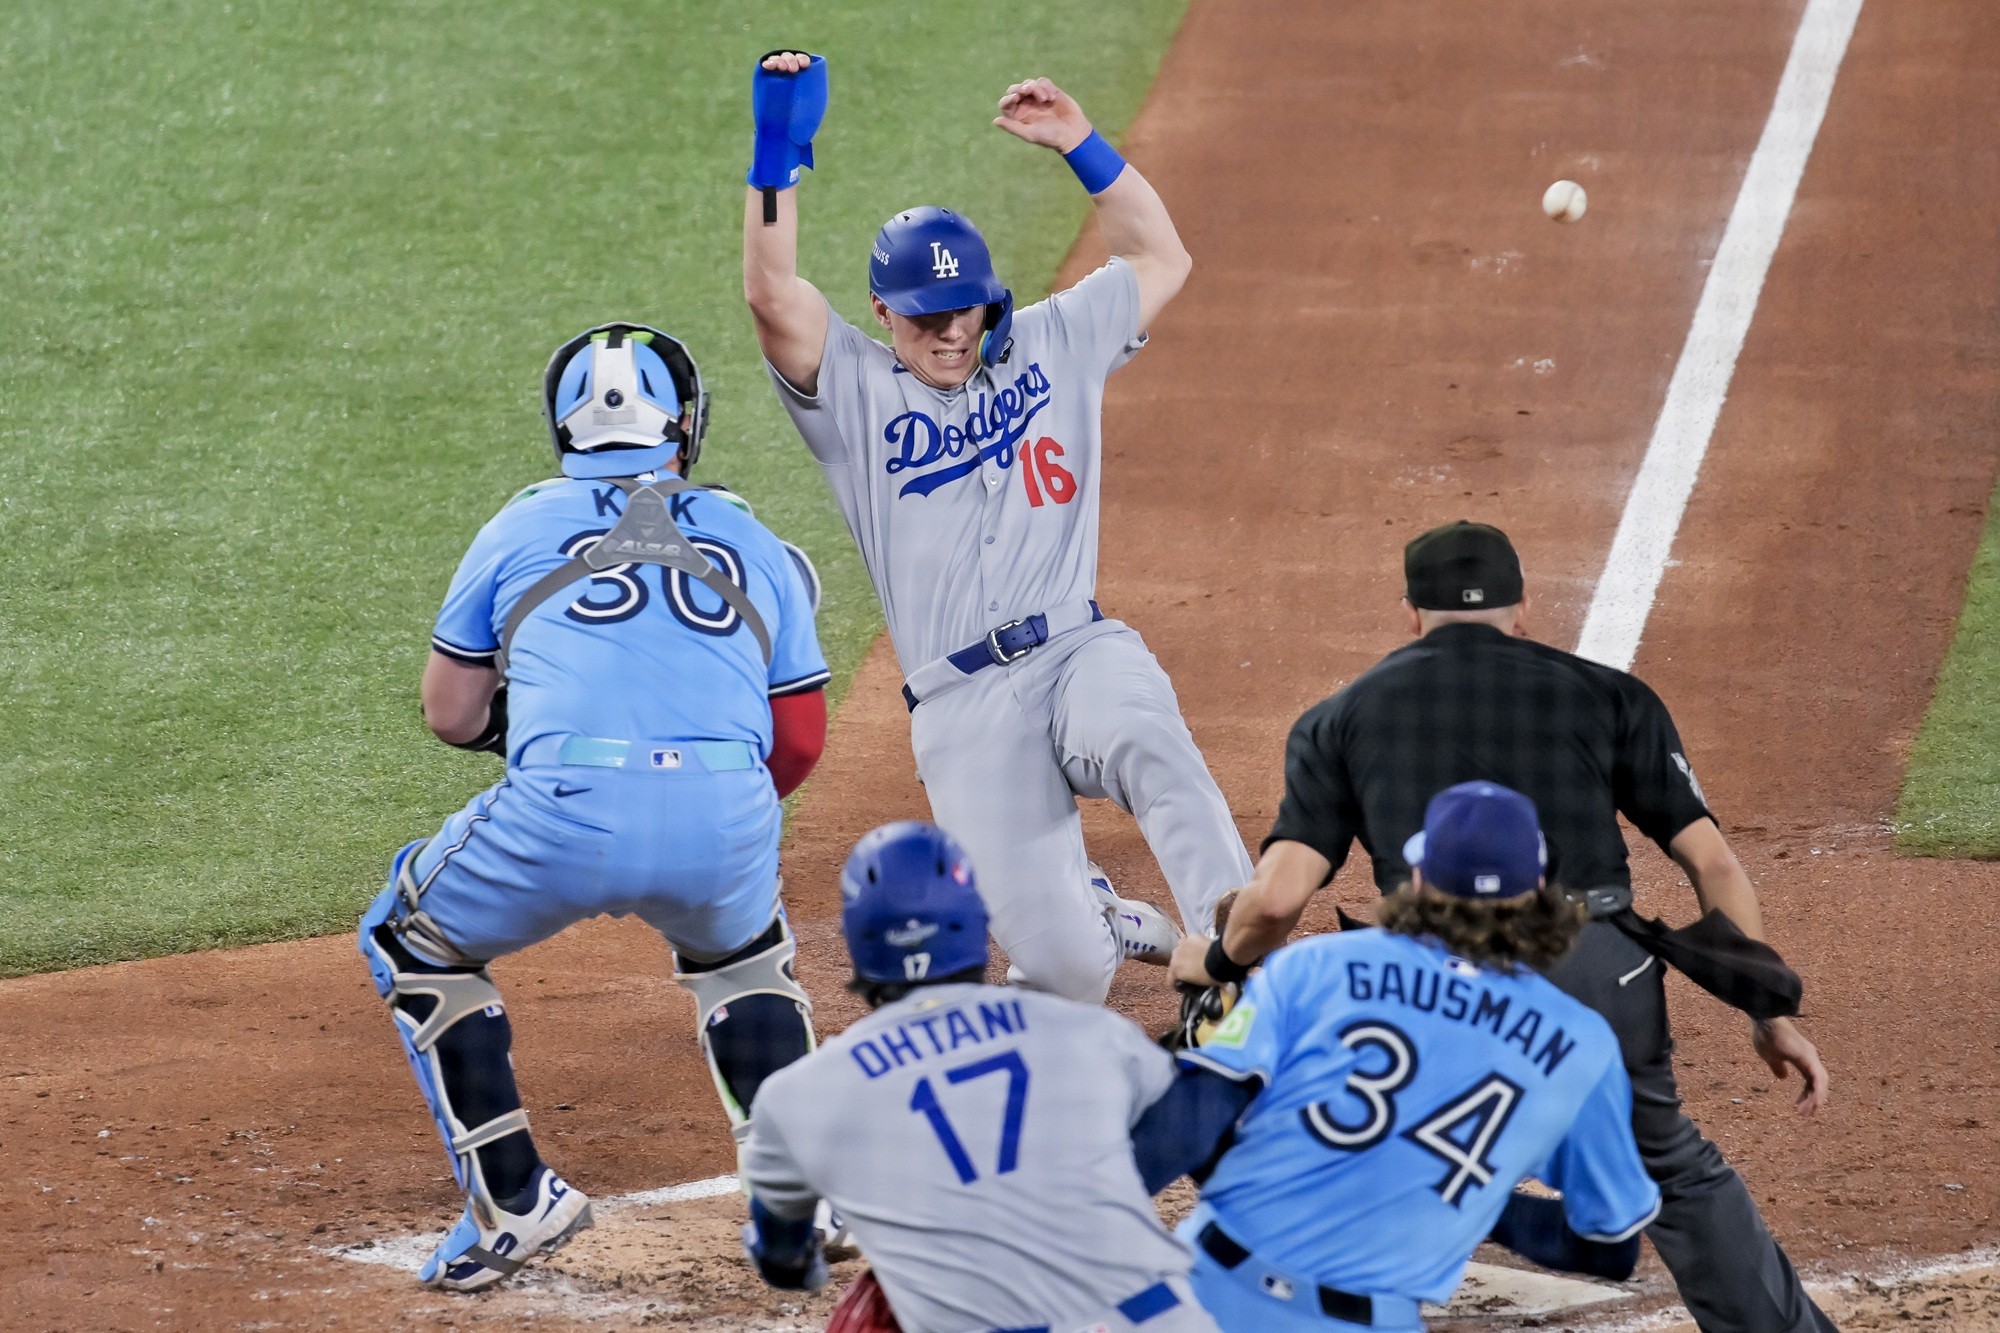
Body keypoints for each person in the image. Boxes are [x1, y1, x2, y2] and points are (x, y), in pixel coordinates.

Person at [1170, 520, 1834, 1333]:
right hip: (1598, 965)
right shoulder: (1611, 694)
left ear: (1411, 612)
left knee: (1364, 1131)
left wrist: (1215, 959)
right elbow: (1715, 864)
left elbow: (1275, 901)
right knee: (1671, 1166)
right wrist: (1767, 1010)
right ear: (1521, 608)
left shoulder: (1339, 716)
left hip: (1425, 974)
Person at [741, 50, 1255, 1003]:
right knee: (1065, 971)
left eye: (965, 310)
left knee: (1148, 739)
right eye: (926, 317)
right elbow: (772, 294)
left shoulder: (1053, 342)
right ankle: (1100, 915)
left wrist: (1081, 143)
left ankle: (1239, 968)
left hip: (1078, 649)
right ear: (882, 310)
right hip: (962, 706)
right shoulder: (851, 390)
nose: (950, 332)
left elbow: (1161, 258)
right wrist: (778, 150)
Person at [356, 322, 831, 1291]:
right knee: (743, 954)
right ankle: (805, 1196)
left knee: (409, 936)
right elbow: (800, 740)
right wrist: (705, 803)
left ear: (563, 427)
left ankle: (513, 1199)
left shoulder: (518, 523)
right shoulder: (751, 534)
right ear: (683, 425)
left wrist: (548, 736)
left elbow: (449, 712)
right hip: (724, 814)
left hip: (563, 810)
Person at [1144, 782, 1661, 1330]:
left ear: (1418, 880)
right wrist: (1466, 1196)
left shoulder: (1314, 967)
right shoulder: (1581, 1045)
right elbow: (1610, 1247)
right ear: (1538, 891)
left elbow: (1183, 1127)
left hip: (1196, 1293)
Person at [738, 821, 1219, 1333]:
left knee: (870, 1313)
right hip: (1164, 1320)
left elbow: (781, 1255)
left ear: (858, 939)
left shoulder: (800, 1096)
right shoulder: (1093, 1033)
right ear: (976, 922)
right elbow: (1195, 1131)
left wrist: (805, 1269)